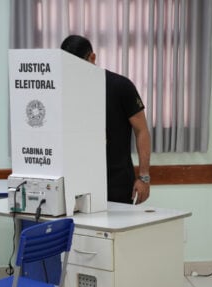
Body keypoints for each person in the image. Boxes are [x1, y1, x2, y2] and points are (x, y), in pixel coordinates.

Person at [61, 35, 151, 204]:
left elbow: (142, 130)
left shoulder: (121, 86)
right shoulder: (65, 89)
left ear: (92, 58)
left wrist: (144, 177)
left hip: (117, 180)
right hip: (79, 179)